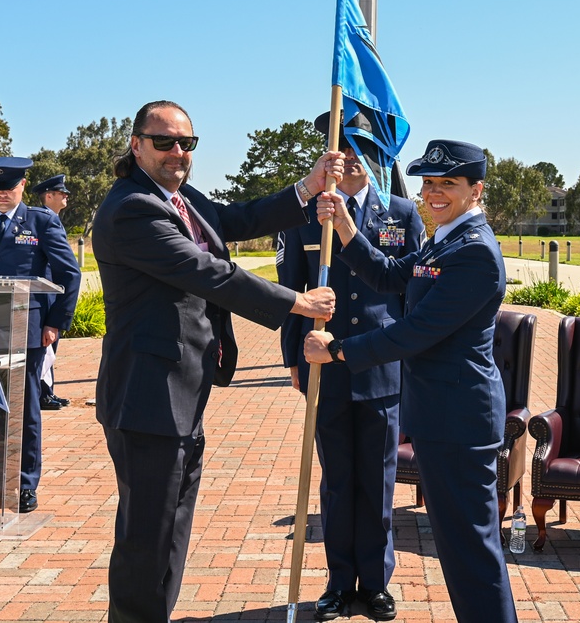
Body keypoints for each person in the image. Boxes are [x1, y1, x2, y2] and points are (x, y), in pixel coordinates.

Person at [92, 100, 341, 623]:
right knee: (146, 539)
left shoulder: (179, 198)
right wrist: (298, 302)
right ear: (136, 144)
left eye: (187, 143)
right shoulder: (132, 208)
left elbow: (235, 218)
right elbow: (206, 272)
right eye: (164, 142)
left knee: (170, 530)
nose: (178, 152)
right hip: (147, 397)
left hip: (181, 392)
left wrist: (308, 187)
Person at [304, 139, 518, 623]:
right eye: (429, 183)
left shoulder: (474, 252)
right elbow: (389, 276)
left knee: (473, 551)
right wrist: (346, 229)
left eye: (448, 184)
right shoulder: (444, 238)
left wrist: (337, 351)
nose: (434, 193)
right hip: (442, 417)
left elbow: (416, 332)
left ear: (476, 189)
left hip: (461, 419)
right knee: (460, 550)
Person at [277, 112, 425, 621]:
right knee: (338, 482)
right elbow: (289, 292)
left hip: (384, 368)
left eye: (364, 148)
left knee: (379, 482)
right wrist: (294, 356)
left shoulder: (401, 214)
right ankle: (340, 583)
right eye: (344, 148)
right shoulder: (305, 216)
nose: (354, 158)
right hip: (326, 367)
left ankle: (377, 582)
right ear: (329, 158)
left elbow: (411, 293)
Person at [0, 157, 81, 514]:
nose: (1, 195)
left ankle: (24, 486)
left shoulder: (41, 222)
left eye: (9, 189)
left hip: (27, 332)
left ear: (23, 186)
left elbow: (68, 275)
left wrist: (55, 324)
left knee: (23, 413)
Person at [31, 173, 73, 410]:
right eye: (61, 193)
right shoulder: (43, 219)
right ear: (49, 196)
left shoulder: (52, 219)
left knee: (50, 346)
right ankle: (42, 394)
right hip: (43, 291)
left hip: (53, 291)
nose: (66, 196)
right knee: (45, 346)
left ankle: (47, 391)